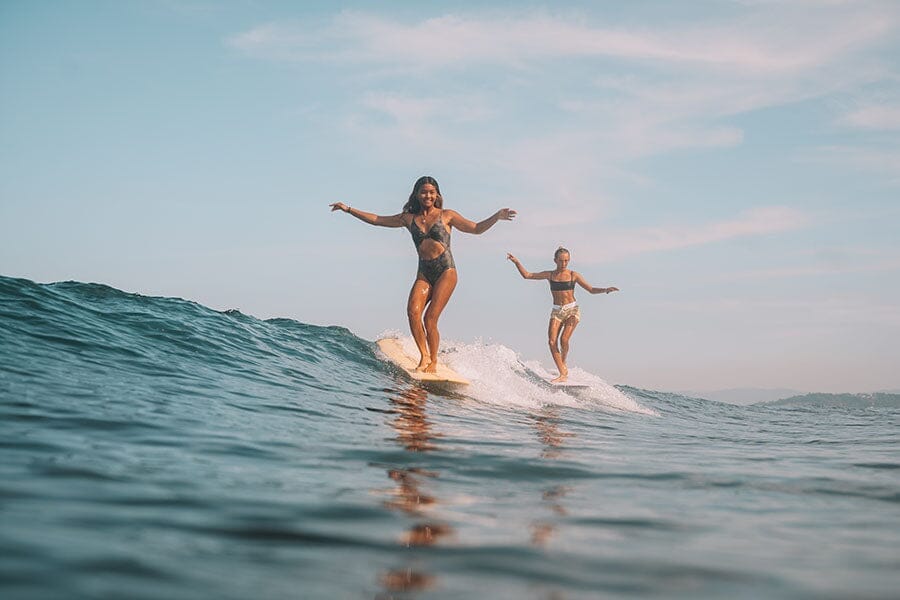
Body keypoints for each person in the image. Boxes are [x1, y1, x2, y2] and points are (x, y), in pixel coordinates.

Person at [330, 176, 516, 372]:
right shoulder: (408, 218)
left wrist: (496, 217)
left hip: (446, 271)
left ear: (437, 195)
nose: (428, 195)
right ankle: (424, 356)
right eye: (424, 192)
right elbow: (377, 220)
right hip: (424, 273)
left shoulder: (447, 216)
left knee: (430, 319)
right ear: (417, 195)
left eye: (431, 192)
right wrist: (348, 209)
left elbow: (477, 229)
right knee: (412, 312)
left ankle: (434, 361)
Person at [506, 247, 618, 383]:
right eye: (561, 261)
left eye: (566, 261)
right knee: (552, 342)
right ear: (555, 260)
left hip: (572, 310)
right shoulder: (550, 275)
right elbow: (527, 275)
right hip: (557, 310)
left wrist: (605, 290)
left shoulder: (573, 275)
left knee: (564, 340)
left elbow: (591, 289)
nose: (564, 264)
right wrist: (516, 262)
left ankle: (563, 363)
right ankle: (563, 372)